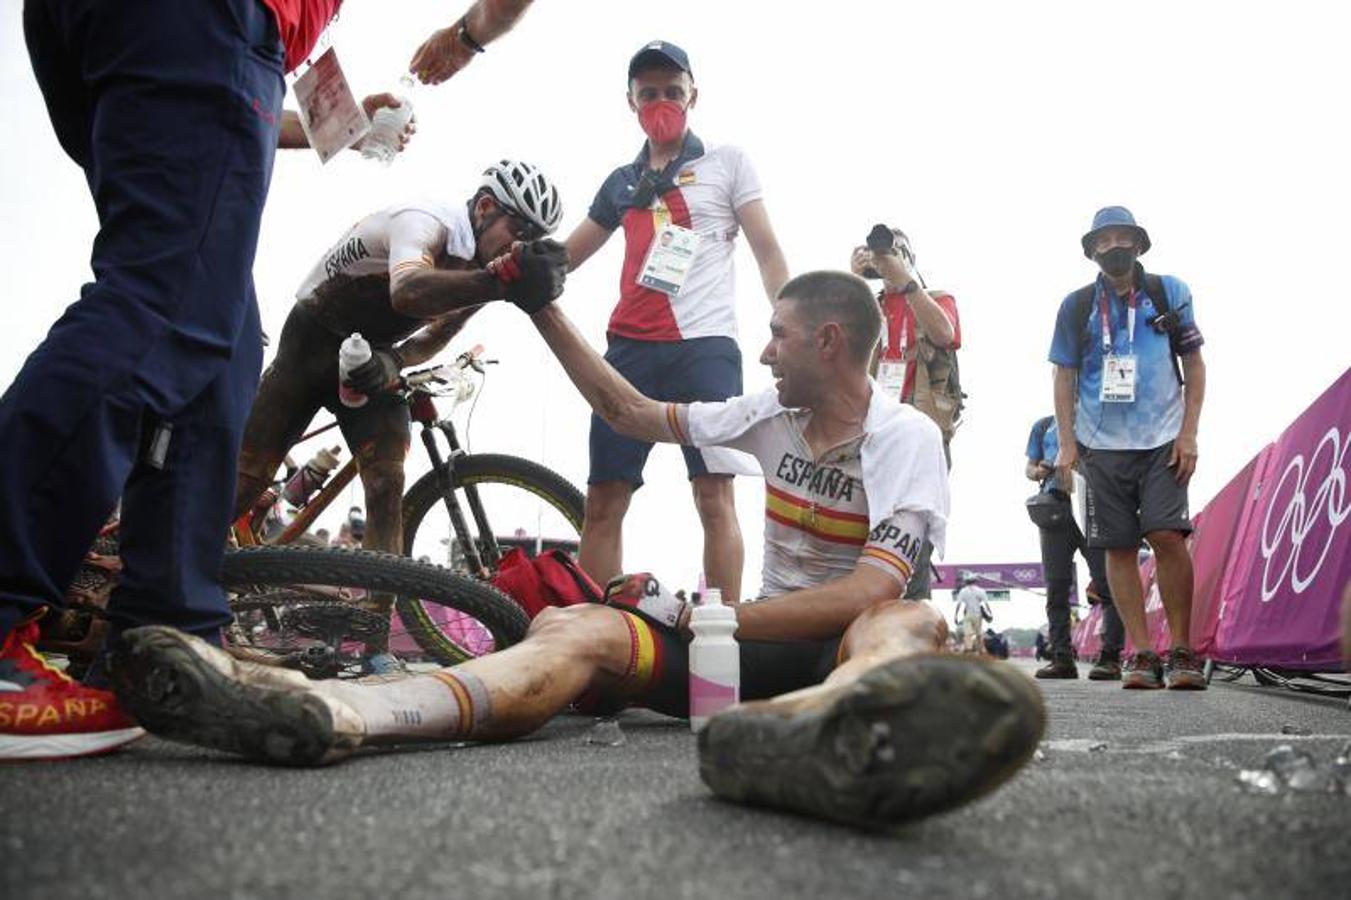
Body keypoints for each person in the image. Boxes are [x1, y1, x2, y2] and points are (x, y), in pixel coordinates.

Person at [110, 271, 1044, 832]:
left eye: (778, 337)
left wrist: (706, 613)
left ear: (828, 342)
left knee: (903, 615)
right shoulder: (771, 412)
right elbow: (627, 412)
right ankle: (346, 711)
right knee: (580, 623)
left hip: (837, 645)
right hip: (752, 653)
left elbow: (861, 594)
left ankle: (836, 732)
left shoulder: (906, 436)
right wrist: (538, 306)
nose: (763, 353)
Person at [0, 0, 541, 761]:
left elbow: (216, 117)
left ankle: (167, 638)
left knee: (218, 351)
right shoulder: (428, 220)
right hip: (202, 23)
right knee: (160, 306)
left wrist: (345, 129)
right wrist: (469, 36)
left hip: (162, 38)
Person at [232, 161, 567, 669]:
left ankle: (374, 646)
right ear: (483, 208)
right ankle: (166, 595)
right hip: (310, 343)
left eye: (531, 240)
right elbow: (407, 292)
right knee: (246, 480)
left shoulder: (480, 270)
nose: (517, 246)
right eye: (516, 231)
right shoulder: (425, 220)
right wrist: (499, 284)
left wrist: (394, 360)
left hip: (370, 352)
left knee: (387, 484)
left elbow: (436, 334)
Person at [562, 40, 791, 603]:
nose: (660, 101)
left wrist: (788, 325)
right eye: (648, 93)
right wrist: (502, 264)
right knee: (604, 500)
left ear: (693, 94)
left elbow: (766, 249)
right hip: (630, 351)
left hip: (706, 349)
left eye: (671, 90)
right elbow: (565, 258)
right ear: (630, 101)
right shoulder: (620, 181)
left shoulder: (728, 161)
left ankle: (725, 636)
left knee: (714, 496)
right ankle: (593, 634)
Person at [1048, 207, 1207, 690]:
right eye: (1104, 240)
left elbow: (1195, 366)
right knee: (1116, 547)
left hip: (1163, 439)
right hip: (1100, 447)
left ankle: (1181, 650)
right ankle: (1140, 653)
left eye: (1123, 237)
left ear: (1138, 244)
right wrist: (1067, 443)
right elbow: (1064, 376)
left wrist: (1189, 433)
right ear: (1091, 250)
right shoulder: (1075, 306)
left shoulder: (1169, 291)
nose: (1114, 246)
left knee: (1165, 537)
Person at [851, 227, 961, 600]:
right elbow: (835, 346)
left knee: (915, 529)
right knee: (860, 523)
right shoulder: (869, 306)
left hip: (922, 432)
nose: (885, 259)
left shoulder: (936, 298)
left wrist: (907, 284)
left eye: (894, 252)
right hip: (871, 431)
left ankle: (914, 616)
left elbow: (945, 334)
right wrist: (853, 282)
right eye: (879, 253)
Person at [1025, 414, 1125, 680]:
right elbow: (1029, 468)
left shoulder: (1099, 417)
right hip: (1054, 508)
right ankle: (1061, 658)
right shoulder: (1043, 425)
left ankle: (1111, 656)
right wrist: (1041, 470)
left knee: (1107, 583)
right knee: (1056, 586)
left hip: (1094, 505)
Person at [952, 574, 990, 654]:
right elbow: (986, 604)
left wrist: (955, 616)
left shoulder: (963, 591)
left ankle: (968, 649)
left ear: (966, 582)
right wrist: (990, 614)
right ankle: (982, 650)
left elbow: (958, 604)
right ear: (975, 581)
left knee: (967, 634)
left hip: (968, 614)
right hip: (978, 615)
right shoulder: (981, 591)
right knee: (979, 633)